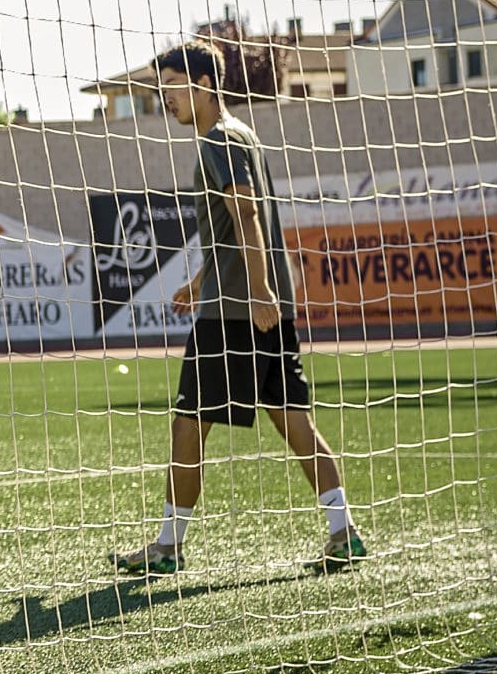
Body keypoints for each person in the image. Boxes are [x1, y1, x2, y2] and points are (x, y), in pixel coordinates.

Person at [111, 41, 367, 575]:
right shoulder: (244, 134)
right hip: (256, 302)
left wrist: (254, 291)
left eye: (173, 83)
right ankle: (344, 532)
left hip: (236, 312)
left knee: (187, 423)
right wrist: (205, 277)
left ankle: (168, 546)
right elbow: (233, 228)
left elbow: (246, 212)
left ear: (205, 84)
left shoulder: (218, 140)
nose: (165, 96)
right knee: (292, 419)